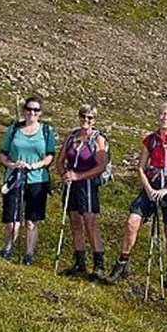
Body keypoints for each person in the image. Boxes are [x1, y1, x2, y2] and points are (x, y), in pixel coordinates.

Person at [105, 103, 167, 289]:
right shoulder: (149, 140)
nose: (165, 118)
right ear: (157, 116)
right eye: (162, 114)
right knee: (132, 221)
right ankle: (122, 263)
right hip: (151, 185)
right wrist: (149, 189)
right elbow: (141, 167)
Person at [0, 96, 55, 265]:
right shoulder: (13, 129)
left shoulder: (46, 131)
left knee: (31, 221)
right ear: (24, 110)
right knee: (12, 220)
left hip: (37, 180)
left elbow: (49, 156)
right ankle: (7, 249)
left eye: (36, 110)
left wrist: (34, 165)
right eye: (29, 109)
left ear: (40, 113)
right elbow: (3, 153)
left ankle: (28, 255)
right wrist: (12, 164)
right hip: (14, 178)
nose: (32, 113)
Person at [58, 104, 108, 278]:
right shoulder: (72, 136)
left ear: (95, 120)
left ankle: (98, 265)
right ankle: (80, 263)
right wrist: (64, 174)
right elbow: (60, 160)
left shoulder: (98, 139)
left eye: (90, 118)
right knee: (75, 222)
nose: (86, 120)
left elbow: (101, 166)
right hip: (71, 184)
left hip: (87, 185)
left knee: (90, 223)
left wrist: (80, 176)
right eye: (83, 116)